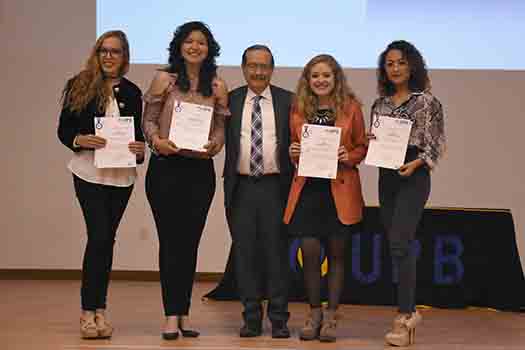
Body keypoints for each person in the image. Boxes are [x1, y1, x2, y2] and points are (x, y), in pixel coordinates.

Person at [141, 21, 228, 340]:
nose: (195, 47)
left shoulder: (218, 85)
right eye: (189, 41)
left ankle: (185, 314)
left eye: (201, 42)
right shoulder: (164, 78)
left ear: (210, 49)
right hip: (165, 169)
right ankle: (169, 315)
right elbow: (148, 120)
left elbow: (219, 128)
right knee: (170, 243)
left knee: (190, 245)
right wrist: (156, 141)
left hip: (199, 173)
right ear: (179, 46)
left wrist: (216, 144)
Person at [57, 30, 145, 339]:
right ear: (97, 54)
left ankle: (100, 310)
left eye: (116, 51)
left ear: (125, 57)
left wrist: (139, 150)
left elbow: (138, 139)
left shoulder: (133, 92)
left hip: (121, 177)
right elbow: (64, 130)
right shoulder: (79, 85)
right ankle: (88, 311)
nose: (109, 56)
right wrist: (81, 139)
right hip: (88, 172)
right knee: (99, 236)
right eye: (104, 51)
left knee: (106, 240)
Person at [284, 54, 367, 342]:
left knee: (337, 255)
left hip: (339, 188)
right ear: (308, 80)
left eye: (326, 75)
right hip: (308, 189)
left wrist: (350, 155)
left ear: (336, 78)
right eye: (315, 75)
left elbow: (361, 146)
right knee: (309, 252)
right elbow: (292, 147)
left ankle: (331, 316)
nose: (321, 80)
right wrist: (293, 153)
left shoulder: (351, 108)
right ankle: (313, 313)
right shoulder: (298, 108)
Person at [368, 40, 446, 346]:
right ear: (384, 69)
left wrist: (417, 163)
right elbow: (377, 141)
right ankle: (408, 314)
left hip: (414, 174)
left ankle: (405, 316)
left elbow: (436, 143)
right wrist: (370, 141)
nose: (395, 68)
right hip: (387, 175)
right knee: (396, 244)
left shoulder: (426, 102)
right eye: (389, 63)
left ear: (411, 65)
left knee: (401, 241)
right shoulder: (380, 103)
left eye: (400, 62)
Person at [223, 45, 293, 338]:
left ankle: (278, 319)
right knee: (245, 254)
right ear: (243, 68)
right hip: (241, 187)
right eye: (252, 65)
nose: (258, 72)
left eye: (264, 66)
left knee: (276, 254)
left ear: (272, 69)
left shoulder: (289, 101)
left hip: (276, 186)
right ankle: (251, 317)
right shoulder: (230, 100)